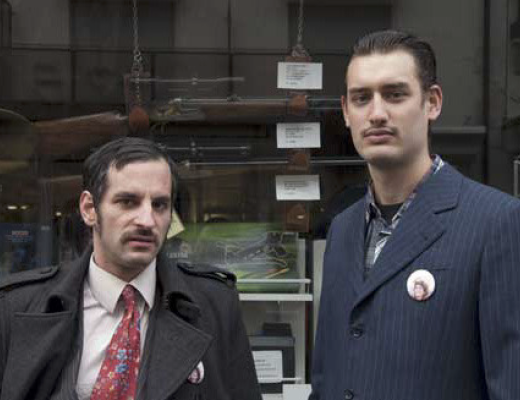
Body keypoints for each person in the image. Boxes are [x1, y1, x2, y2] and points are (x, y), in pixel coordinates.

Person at [310, 30, 520, 400]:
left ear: (432, 102)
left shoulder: (496, 223)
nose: (376, 113)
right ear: (345, 112)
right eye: (361, 98)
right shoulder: (342, 229)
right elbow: (328, 377)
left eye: (395, 94)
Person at [0, 137, 262, 400]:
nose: (147, 221)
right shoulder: (17, 307)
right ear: (89, 209)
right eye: (128, 202)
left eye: (159, 205)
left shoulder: (214, 305)